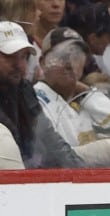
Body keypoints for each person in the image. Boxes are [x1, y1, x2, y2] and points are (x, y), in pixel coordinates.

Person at [33, 26, 110, 165]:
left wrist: (86, 93)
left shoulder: (82, 101)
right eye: (60, 56)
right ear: (43, 62)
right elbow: (60, 157)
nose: (69, 63)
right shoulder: (36, 100)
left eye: (76, 56)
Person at [0, 20, 85, 167]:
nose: (19, 64)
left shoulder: (22, 89)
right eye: (10, 56)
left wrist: (81, 175)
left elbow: (49, 139)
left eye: (23, 57)